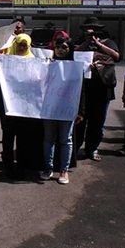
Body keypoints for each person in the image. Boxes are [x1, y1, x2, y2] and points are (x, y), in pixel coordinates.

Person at [74, 17, 119, 163]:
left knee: (97, 123)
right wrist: (86, 43)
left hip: (102, 89)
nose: (89, 30)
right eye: (87, 28)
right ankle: (75, 148)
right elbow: (71, 54)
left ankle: (92, 149)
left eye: (93, 28)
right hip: (83, 91)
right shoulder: (79, 42)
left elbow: (116, 56)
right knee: (80, 121)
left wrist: (98, 44)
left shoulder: (108, 42)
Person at [41, 37, 84, 185]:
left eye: (64, 47)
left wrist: (81, 111)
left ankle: (64, 170)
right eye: (58, 47)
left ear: (70, 49)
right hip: (50, 109)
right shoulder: (47, 65)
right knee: (48, 139)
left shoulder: (76, 68)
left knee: (66, 139)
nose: (60, 50)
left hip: (67, 109)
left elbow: (81, 91)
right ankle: (48, 168)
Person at [3, 33, 39, 179]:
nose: (22, 47)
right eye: (19, 44)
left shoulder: (34, 61)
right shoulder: (6, 60)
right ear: (15, 44)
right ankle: (8, 165)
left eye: (25, 45)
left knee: (23, 138)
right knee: (8, 136)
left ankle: (22, 166)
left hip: (25, 107)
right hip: (9, 106)